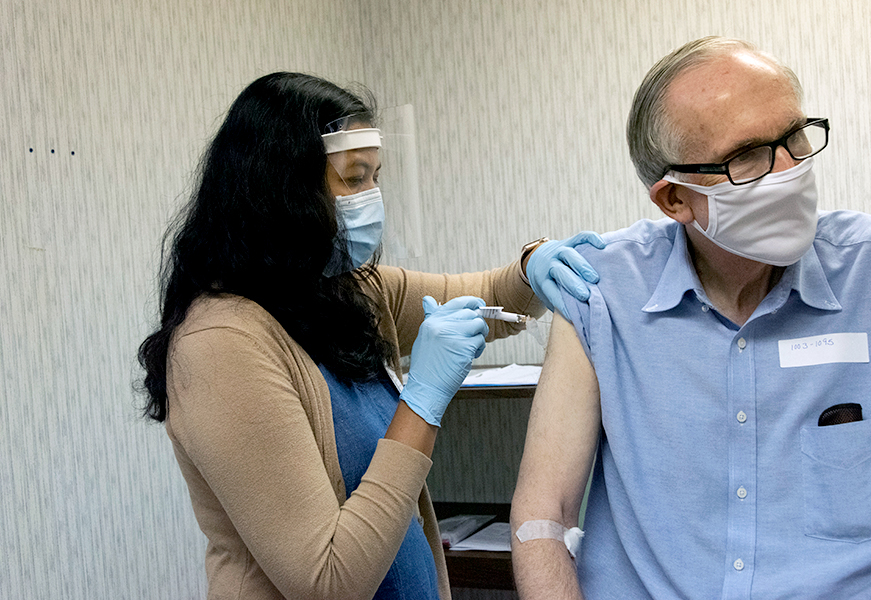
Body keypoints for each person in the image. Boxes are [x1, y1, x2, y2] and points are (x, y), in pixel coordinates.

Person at [510, 37, 871, 600]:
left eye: (794, 136)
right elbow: (543, 516)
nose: (789, 170)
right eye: (747, 155)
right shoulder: (602, 291)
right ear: (675, 200)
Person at [137, 72, 603, 600]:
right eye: (354, 179)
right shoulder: (220, 344)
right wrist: (422, 402)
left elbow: (491, 292)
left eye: (375, 177)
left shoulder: (350, 291)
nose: (371, 198)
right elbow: (328, 581)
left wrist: (533, 261)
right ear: (281, 186)